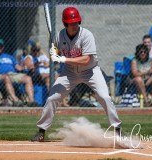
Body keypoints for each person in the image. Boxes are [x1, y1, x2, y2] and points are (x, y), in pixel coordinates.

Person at [31, 7, 122, 142]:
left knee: (104, 97)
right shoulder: (60, 36)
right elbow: (56, 51)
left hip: (91, 71)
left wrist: (63, 59)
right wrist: (54, 53)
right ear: (65, 24)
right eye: (71, 23)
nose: (74, 25)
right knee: (52, 98)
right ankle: (41, 131)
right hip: (70, 72)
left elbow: (86, 59)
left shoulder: (87, 35)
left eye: (76, 22)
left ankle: (117, 130)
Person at [0, 38, 37, 107]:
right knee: (6, 77)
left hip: (13, 74)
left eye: (0, 46)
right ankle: (15, 100)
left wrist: (26, 67)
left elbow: (18, 68)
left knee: (28, 78)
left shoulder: (9, 56)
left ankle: (31, 101)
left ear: (3, 47)